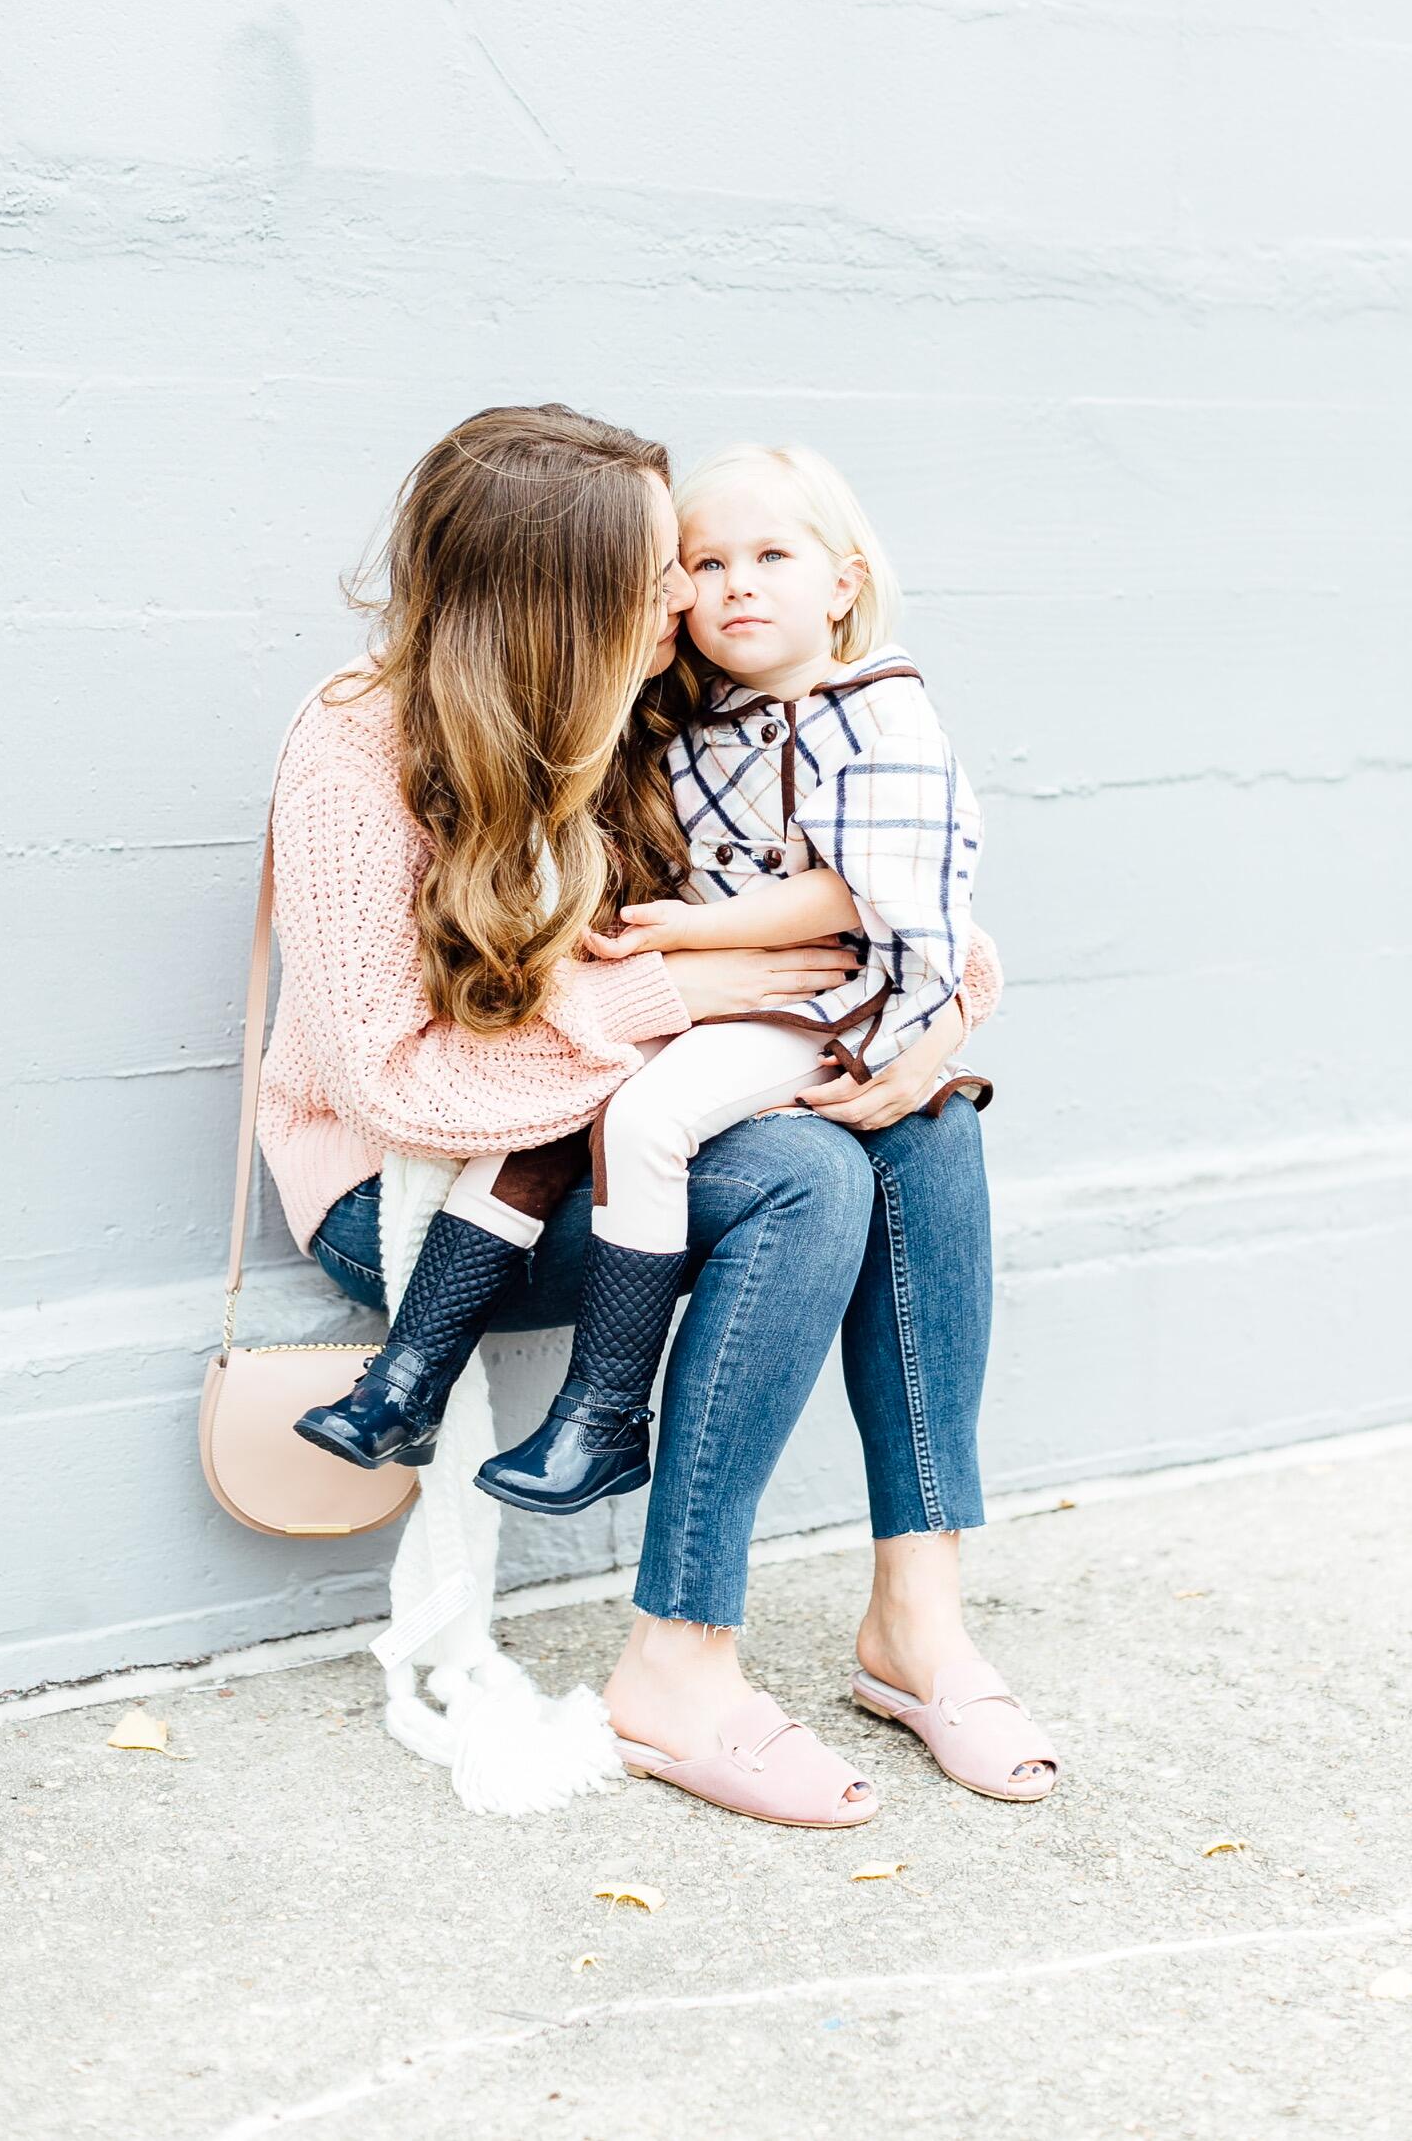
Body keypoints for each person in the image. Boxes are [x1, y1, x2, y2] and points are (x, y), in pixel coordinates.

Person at [258, 403, 1057, 1827]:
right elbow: (398, 1083)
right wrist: (671, 998)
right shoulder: (353, 751)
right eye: (655, 575)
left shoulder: (657, 713)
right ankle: (678, 1662)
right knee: (807, 1173)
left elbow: (908, 908)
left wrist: (924, 1024)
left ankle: (916, 1620)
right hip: (425, 1200)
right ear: (553, 602)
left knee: (924, 1121)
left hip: (614, 1144)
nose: (690, 598)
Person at [474, 441, 992, 1517]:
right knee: (608, 1117)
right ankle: (431, 1381)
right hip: (745, 1006)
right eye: (705, 565)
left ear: (842, 582)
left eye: (769, 554)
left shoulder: (876, 706)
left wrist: (696, 938)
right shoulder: (689, 723)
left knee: (891, 1131)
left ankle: (607, 1409)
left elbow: (873, 894)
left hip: (828, 1007)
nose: (735, 583)